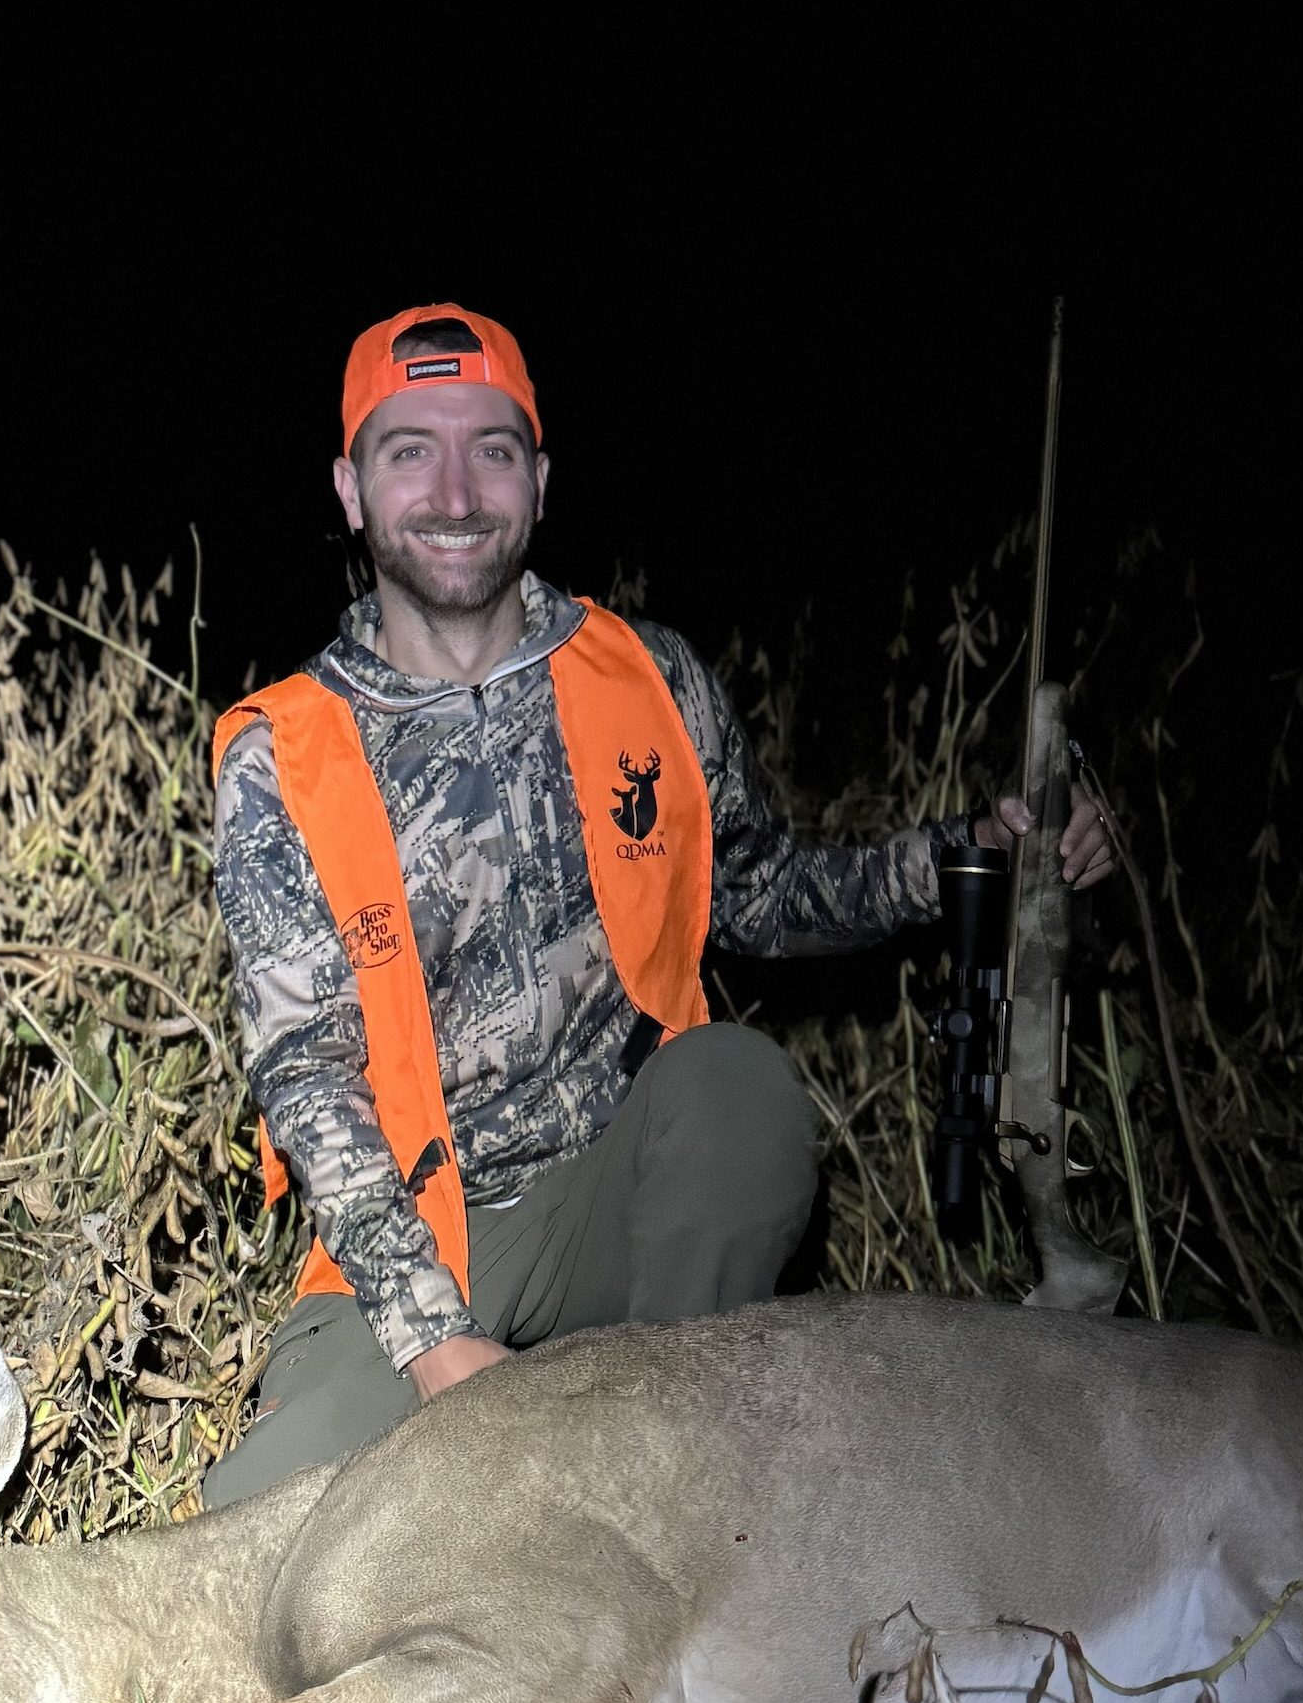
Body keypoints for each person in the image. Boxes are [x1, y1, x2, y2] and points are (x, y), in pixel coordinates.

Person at [203, 304, 1112, 1504]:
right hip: (419, 1240)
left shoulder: (648, 678)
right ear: (351, 489)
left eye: (493, 446)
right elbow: (307, 1073)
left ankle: (670, 1486)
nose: (455, 489)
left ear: (539, 480)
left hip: (620, 1199)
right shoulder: (283, 749)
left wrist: (970, 852)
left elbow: (765, 894)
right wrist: (435, 1346)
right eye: (407, 449)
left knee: (733, 1087)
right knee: (261, 1529)